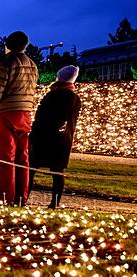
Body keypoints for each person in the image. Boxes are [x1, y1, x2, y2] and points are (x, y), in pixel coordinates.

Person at [0, 31, 39, 205]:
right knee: (22, 158)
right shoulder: (33, 65)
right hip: (25, 114)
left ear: (8, 45)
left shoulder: (5, 64)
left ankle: (5, 198)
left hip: (6, 115)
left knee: (5, 159)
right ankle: (21, 198)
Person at [30, 65, 82, 209]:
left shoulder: (52, 95)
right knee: (57, 172)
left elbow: (39, 118)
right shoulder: (75, 99)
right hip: (63, 140)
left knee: (31, 169)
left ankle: (22, 198)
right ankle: (54, 203)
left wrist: (32, 137)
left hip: (44, 137)